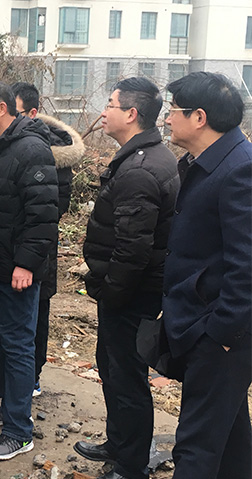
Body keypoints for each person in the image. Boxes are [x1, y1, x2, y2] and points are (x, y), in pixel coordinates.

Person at [76, 77, 180, 479]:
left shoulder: (140, 169)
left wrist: (111, 293)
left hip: (132, 295)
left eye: (111, 105)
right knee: (113, 369)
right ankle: (118, 443)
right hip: (128, 291)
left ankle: (131, 465)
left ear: (131, 114)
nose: (104, 112)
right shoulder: (144, 157)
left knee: (127, 377)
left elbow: (132, 250)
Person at [163, 72, 251, 479]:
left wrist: (222, 334)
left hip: (222, 334)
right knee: (230, 437)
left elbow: (247, 265)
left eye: (173, 110)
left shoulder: (239, 170)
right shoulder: (209, 163)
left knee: (195, 445)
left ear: (199, 117)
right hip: (207, 323)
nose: (167, 118)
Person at [0, 81, 58, 460]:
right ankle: (9, 408)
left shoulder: (31, 149)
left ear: (2, 108)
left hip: (18, 270)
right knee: (1, 340)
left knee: (19, 345)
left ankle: (19, 431)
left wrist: (26, 263)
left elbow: (43, 215)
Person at [0, 82, 85, 394]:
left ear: (31, 113)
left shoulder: (46, 153)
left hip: (36, 252)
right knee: (9, 328)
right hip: (11, 251)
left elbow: (49, 210)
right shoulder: (2, 146)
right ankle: (15, 380)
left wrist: (28, 256)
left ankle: (32, 377)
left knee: (34, 318)